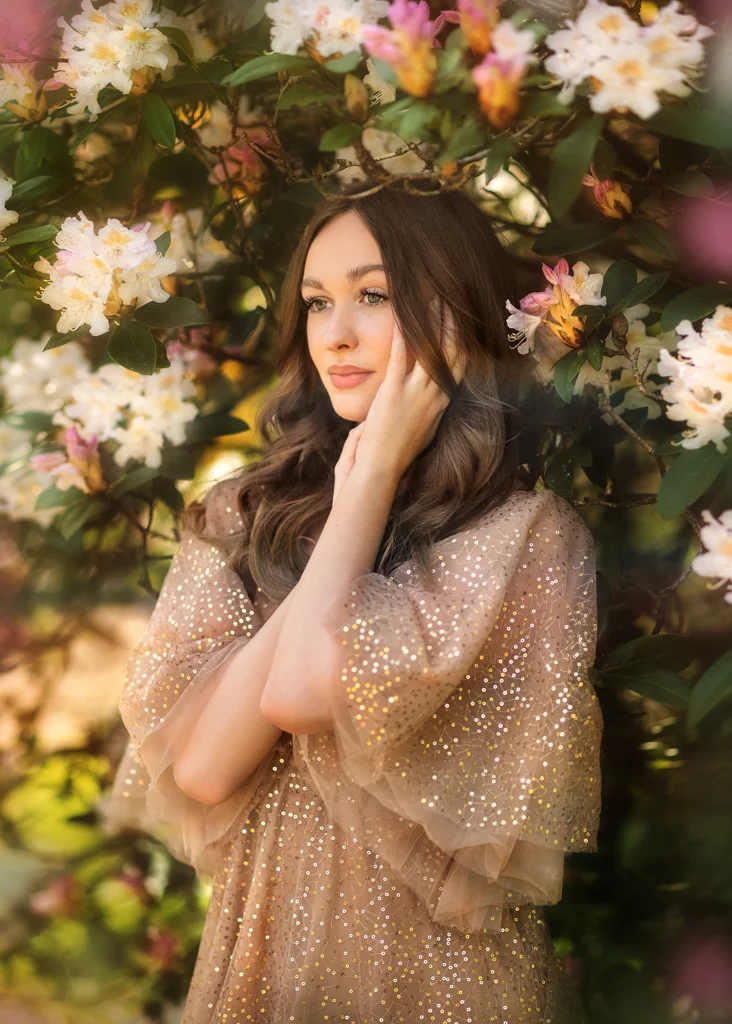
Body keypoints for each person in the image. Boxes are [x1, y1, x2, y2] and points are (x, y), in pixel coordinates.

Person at [102, 179, 602, 1024]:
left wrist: (368, 476)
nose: (336, 334)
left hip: (447, 980)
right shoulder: (244, 513)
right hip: (267, 958)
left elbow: (299, 692)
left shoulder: (530, 536)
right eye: (317, 302)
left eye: (374, 296)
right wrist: (351, 499)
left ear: (457, 315)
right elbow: (205, 768)